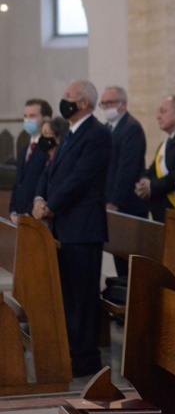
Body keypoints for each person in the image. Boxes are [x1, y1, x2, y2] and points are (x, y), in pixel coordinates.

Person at [32, 79, 111, 377]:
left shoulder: (97, 134)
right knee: (68, 295)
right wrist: (41, 198)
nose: (63, 100)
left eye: (69, 97)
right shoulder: (70, 134)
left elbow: (81, 178)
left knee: (83, 296)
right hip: (64, 227)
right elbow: (51, 170)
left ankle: (86, 358)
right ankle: (73, 352)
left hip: (83, 228)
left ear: (84, 103)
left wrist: (51, 205)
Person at [101, 86, 148, 277]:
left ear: (123, 104)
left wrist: (114, 202)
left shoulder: (131, 128)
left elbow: (126, 170)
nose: (105, 107)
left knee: (129, 263)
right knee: (118, 257)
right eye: (103, 104)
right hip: (110, 203)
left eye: (109, 103)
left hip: (127, 205)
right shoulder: (106, 129)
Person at [135, 95, 175, 222]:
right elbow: (152, 170)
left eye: (163, 111)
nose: (158, 116)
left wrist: (152, 186)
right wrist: (144, 181)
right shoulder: (166, 143)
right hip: (162, 215)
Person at [9, 99, 53, 224]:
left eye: (32, 116)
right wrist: (13, 211)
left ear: (46, 118)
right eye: (25, 116)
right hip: (19, 216)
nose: (28, 120)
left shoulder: (49, 148)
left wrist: (30, 210)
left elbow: (45, 181)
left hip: (37, 215)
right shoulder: (24, 149)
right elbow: (18, 182)